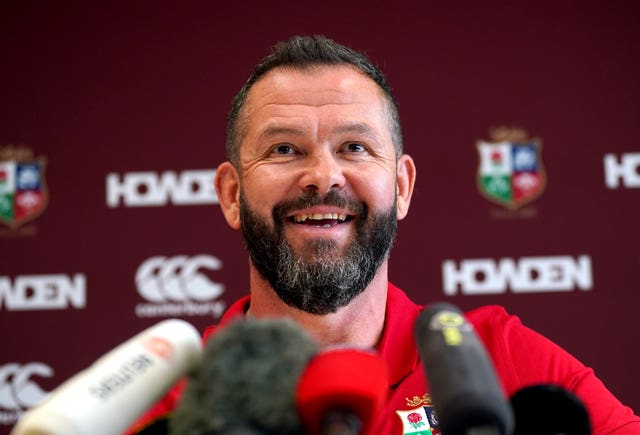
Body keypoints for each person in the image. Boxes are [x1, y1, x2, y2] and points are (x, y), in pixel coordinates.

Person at [133, 35, 640, 434]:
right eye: (284, 150)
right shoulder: (169, 399)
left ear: (401, 186)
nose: (323, 176)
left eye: (354, 146)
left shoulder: (498, 356)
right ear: (230, 194)